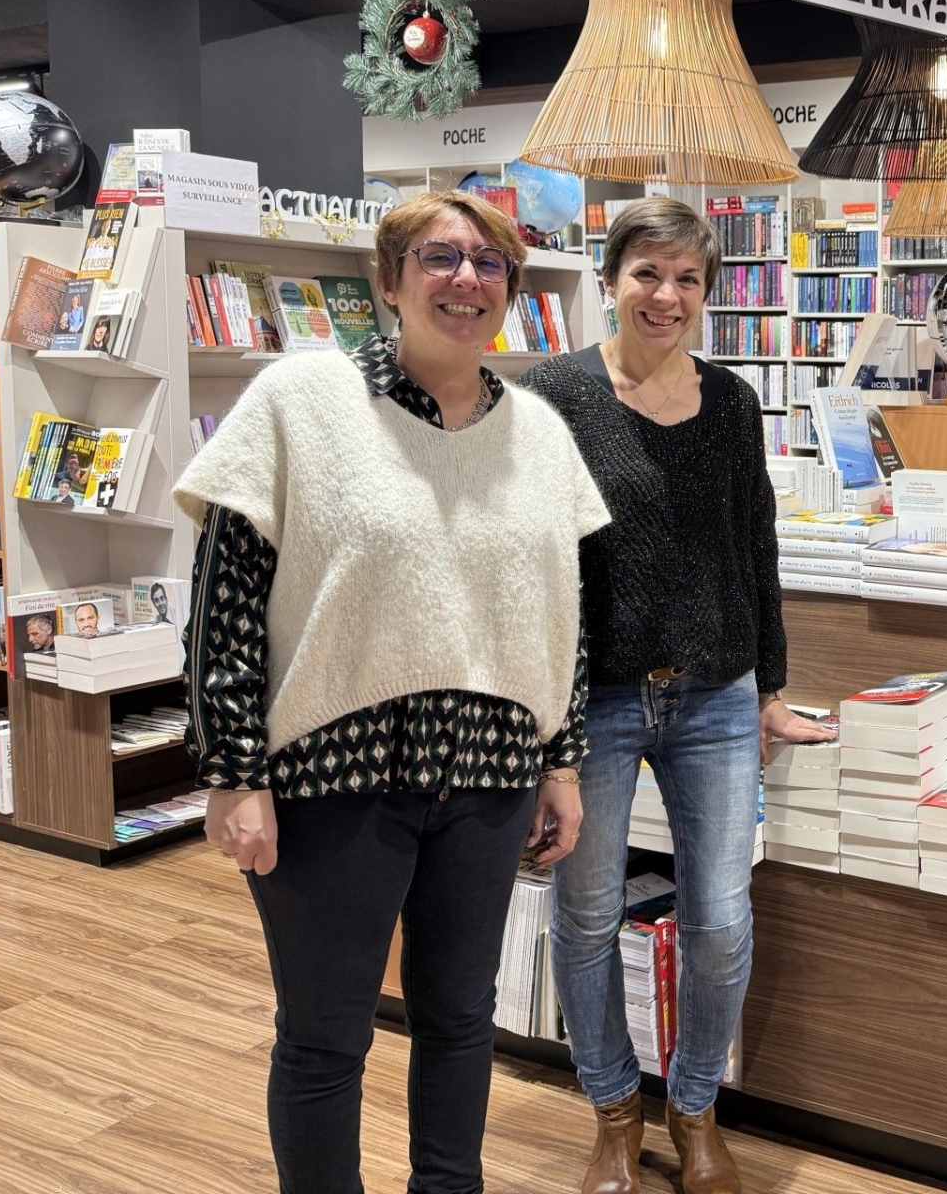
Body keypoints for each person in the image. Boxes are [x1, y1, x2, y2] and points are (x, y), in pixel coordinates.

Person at [174, 190, 611, 1193]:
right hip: (334, 778)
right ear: (387, 281)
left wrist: (564, 762)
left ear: (511, 288)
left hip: (491, 776)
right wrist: (235, 774)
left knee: (460, 1020)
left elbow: (561, 615)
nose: (466, 279)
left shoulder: (539, 432)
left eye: (490, 262)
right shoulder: (300, 402)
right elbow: (225, 601)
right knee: (326, 1037)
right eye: (439, 257)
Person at [519, 196, 830, 1194]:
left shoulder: (733, 405)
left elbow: (757, 547)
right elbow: (536, 565)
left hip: (716, 700)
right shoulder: (556, 394)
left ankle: (694, 1110)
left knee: (721, 919)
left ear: (707, 292)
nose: (668, 295)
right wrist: (549, 731)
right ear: (609, 280)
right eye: (648, 274)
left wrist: (771, 686)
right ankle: (614, 1113)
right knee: (587, 912)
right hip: (596, 703)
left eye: (688, 278)